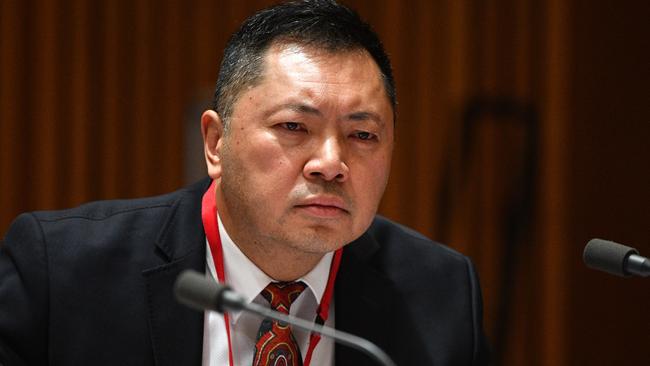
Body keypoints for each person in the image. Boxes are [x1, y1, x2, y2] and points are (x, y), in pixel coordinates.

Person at [0, 1, 489, 365]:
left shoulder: (440, 294)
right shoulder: (63, 276)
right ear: (215, 142)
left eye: (363, 135)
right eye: (294, 127)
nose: (331, 163)